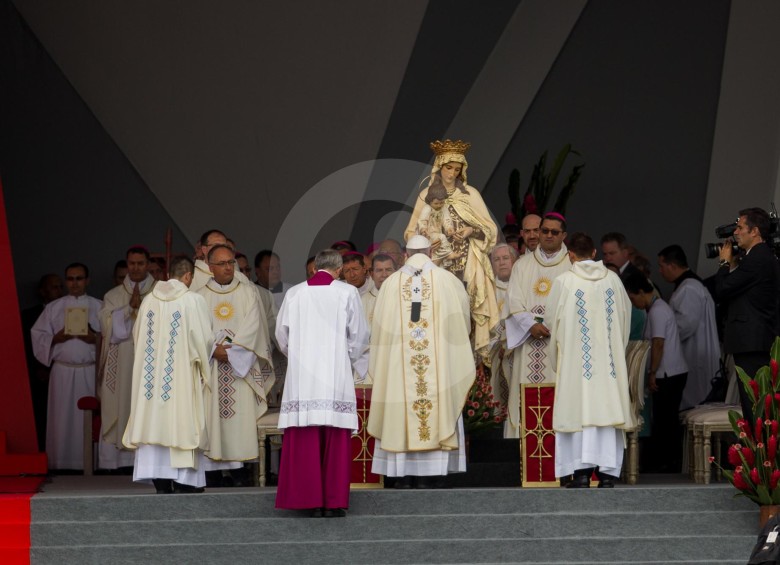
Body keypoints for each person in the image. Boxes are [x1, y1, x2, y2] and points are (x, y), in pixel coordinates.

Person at [368, 235, 475, 488]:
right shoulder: (447, 281)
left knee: (399, 408)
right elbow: (464, 324)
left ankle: (403, 477)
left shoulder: (392, 283)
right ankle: (428, 476)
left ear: (405, 254)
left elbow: (378, 331)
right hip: (437, 369)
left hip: (398, 372)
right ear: (430, 252)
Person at [275, 249, 369, 516]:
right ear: (339, 270)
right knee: (334, 439)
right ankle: (333, 502)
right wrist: (344, 357)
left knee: (305, 438)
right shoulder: (347, 293)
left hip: (303, 381)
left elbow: (281, 336)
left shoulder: (295, 294)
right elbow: (360, 336)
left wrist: (299, 355)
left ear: (315, 268)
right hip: (334, 376)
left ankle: (309, 502)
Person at [545, 233, 634, 488]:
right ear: (594, 253)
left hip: (576, 365)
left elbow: (552, 321)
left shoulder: (564, 282)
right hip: (608, 367)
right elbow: (625, 319)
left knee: (578, 412)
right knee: (606, 413)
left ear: (570, 254)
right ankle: (607, 475)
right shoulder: (613, 280)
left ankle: (581, 474)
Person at [122, 256, 213, 494]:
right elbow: (204, 341)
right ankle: (184, 480)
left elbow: (137, 336)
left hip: (149, 383)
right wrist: (205, 370)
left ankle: (160, 481)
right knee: (181, 422)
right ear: (188, 277)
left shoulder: (148, 300)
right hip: (181, 379)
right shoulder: (193, 300)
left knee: (152, 421)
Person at [404, 139, 499, 355]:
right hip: (436, 265)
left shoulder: (470, 194)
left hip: (468, 264)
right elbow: (410, 232)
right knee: (438, 318)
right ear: (439, 167)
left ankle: (472, 371)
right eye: (448, 168)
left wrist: (471, 231)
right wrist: (426, 239)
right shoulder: (426, 196)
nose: (452, 174)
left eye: (457, 169)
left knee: (469, 317)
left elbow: (490, 229)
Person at [197, 244, 274, 477]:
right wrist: (212, 349)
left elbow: (254, 327)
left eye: (231, 262)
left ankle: (241, 474)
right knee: (212, 421)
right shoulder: (199, 297)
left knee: (241, 420)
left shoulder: (248, 292)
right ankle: (213, 475)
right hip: (212, 369)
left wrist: (231, 352)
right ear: (210, 268)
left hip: (241, 370)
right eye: (222, 263)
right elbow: (196, 331)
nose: (228, 267)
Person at [505, 213, 572, 437]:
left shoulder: (572, 265)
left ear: (563, 235)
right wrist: (530, 325)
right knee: (525, 398)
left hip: (559, 345)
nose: (548, 235)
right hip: (528, 343)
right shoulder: (522, 265)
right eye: (545, 231)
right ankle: (523, 452)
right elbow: (513, 300)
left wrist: (555, 326)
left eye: (555, 232)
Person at [31, 263, 101, 470]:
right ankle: (61, 463)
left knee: (86, 420)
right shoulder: (54, 308)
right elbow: (38, 335)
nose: (75, 283)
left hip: (89, 370)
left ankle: (89, 463)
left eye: (79, 278)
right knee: (61, 420)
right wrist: (56, 338)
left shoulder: (100, 306)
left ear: (87, 281)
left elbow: (111, 338)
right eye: (70, 279)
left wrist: (94, 339)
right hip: (62, 371)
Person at [715, 207, 780, 421]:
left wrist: (724, 262)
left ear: (755, 231)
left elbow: (722, 290)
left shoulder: (758, 257)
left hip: (752, 341)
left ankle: (759, 450)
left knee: (754, 404)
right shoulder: (756, 258)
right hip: (752, 339)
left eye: (740, 227)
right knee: (753, 402)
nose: (735, 232)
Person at [98, 246, 157, 469]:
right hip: (123, 359)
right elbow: (106, 325)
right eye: (132, 263)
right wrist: (126, 310)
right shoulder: (113, 295)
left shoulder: (159, 292)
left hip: (151, 358)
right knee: (123, 404)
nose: (136, 268)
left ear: (148, 264)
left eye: (140, 263)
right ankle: (121, 462)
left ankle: (150, 460)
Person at [624, 271, 688, 472]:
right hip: (668, 372)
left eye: (633, 298)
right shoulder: (655, 309)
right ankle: (666, 460)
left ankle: (667, 462)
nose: (633, 303)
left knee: (665, 420)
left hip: (668, 373)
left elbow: (658, 344)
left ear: (642, 292)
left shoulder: (658, 310)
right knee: (663, 418)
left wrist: (652, 373)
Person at [657, 245, 720, 409]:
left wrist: (661, 333)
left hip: (694, 351)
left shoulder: (689, 287)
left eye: (661, 266)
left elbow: (686, 324)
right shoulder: (688, 285)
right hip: (692, 350)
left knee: (692, 402)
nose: (660, 271)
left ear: (672, 265)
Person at [21, 273, 63, 451]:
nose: (58, 291)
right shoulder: (29, 315)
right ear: (42, 291)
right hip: (38, 376)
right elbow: (25, 345)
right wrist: (39, 369)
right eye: (53, 287)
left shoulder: (68, 310)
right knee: (41, 416)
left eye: (60, 286)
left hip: (62, 372)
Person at [488, 243, 518, 436]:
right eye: (497, 260)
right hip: (492, 349)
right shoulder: (487, 290)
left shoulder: (522, 285)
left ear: (514, 261)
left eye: (505, 258)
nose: (502, 263)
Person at [416, 181, 457, 267]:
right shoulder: (427, 209)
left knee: (438, 248)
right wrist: (423, 230)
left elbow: (447, 220)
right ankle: (449, 254)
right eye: (436, 203)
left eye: (441, 203)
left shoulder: (443, 208)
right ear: (430, 201)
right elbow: (422, 221)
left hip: (436, 233)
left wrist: (449, 228)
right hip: (427, 235)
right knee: (442, 237)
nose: (439, 205)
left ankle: (441, 263)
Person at [361, 253, 396, 325]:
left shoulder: (403, 297)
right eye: (379, 270)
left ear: (396, 273)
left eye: (388, 270)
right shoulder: (364, 300)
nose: (384, 275)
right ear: (372, 274)